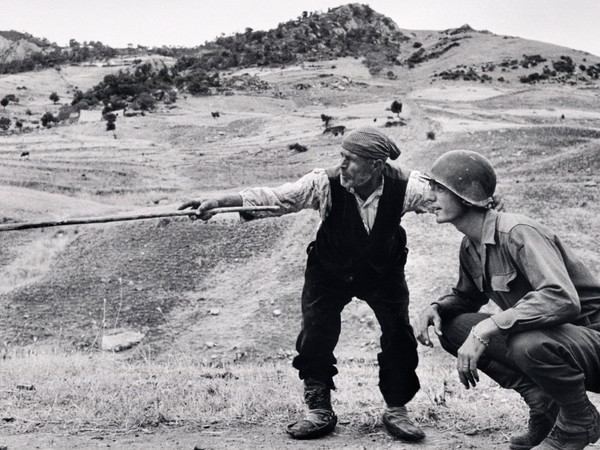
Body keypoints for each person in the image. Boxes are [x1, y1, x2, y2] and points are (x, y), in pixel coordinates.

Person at [179, 127, 429, 442]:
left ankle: (396, 409)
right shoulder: (323, 183)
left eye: (350, 160)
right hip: (329, 269)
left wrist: (485, 202)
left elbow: (448, 196)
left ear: (377, 165)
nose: (342, 166)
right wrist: (218, 202)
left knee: (399, 334)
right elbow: (276, 198)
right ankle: (319, 409)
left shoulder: (406, 186)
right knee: (315, 333)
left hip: (382, 271)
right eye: (342, 157)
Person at [416, 150, 600, 450]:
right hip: (563, 345)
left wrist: (488, 328)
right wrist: (436, 308)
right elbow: (465, 297)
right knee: (452, 325)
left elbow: (562, 298)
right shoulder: (471, 245)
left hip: (591, 341)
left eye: (438, 188)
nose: (429, 196)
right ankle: (543, 404)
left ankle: (580, 422)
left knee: (526, 341)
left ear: (466, 196)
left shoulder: (516, 232)